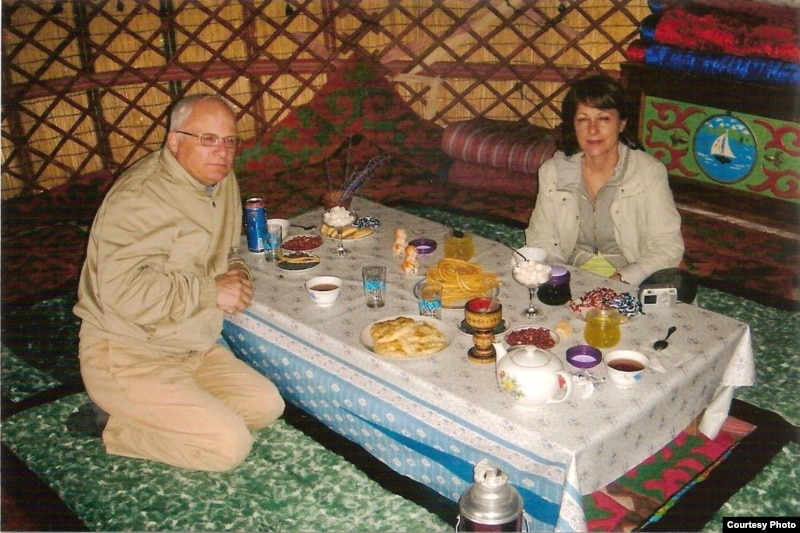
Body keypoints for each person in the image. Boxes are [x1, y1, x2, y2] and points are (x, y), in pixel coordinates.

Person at [71, 94, 285, 472]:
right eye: (208, 139)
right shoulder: (140, 198)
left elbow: (227, 251)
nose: (222, 152)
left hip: (190, 346)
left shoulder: (220, 181)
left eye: (230, 141)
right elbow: (123, 292)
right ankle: (114, 426)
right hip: (128, 351)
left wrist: (238, 275)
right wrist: (211, 290)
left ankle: (161, 410)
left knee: (266, 406)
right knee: (228, 447)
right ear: (174, 141)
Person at [525, 75, 695, 302]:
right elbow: (541, 237)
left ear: (621, 123)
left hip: (632, 276)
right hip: (571, 272)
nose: (592, 130)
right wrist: (559, 278)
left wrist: (620, 279)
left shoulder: (648, 172)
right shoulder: (553, 172)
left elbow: (667, 246)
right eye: (583, 120)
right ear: (573, 125)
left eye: (603, 118)